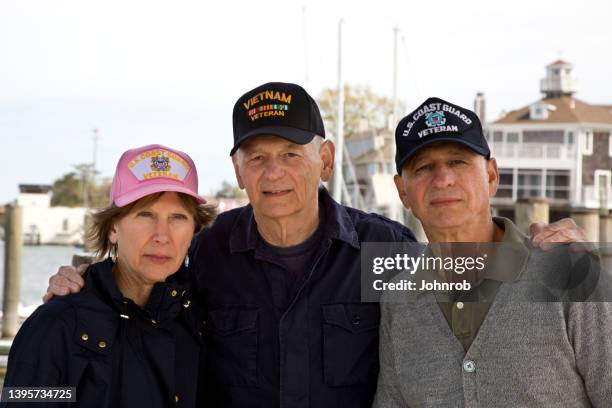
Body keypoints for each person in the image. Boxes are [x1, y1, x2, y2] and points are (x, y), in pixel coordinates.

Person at [44, 84, 588, 408]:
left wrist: (556, 256)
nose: (273, 172)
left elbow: (466, 292)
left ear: (325, 160)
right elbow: (141, 291)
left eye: (291, 153)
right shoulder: (209, 256)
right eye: (256, 157)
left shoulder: (385, 251)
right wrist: (80, 283)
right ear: (237, 170)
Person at [373, 97, 612, 407]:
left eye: (458, 161)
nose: (443, 179)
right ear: (402, 191)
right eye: (423, 167)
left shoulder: (570, 272)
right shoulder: (398, 300)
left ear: (491, 176)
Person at [2, 144, 216, 408]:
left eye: (178, 217)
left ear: (194, 230)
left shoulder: (202, 317)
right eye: (145, 215)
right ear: (113, 227)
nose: (162, 235)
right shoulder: (56, 325)